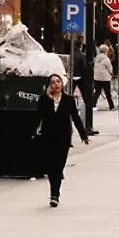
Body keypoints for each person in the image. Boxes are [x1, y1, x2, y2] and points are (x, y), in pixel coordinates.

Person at [34, 73, 89, 207]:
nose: (56, 84)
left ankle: (55, 193)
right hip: (48, 137)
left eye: (58, 81)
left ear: (62, 84)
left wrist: (83, 135)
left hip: (63, 138)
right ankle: (54, 194)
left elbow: (75, 118)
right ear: (49, 85)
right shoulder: (44, 99)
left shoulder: (69, 100)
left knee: (58, 166)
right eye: (52, 82)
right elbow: (38, 117)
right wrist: (32, 133)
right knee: (51, 167)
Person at [93, 45, 115, 110]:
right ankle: (111, 106)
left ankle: (93, 104)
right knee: (108, 93)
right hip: (105, 78)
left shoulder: (96, 58)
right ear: (106, 51)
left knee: (97, 92)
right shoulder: (106, 59)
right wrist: (111, 74)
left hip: (97, 78)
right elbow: (110, 68)